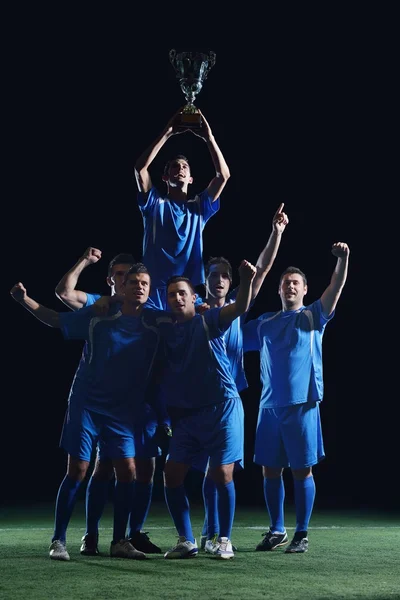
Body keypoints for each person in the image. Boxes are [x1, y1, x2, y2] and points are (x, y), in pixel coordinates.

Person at [10, 264, 163, 561]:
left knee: (129, 472)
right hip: (88, 406)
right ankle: (58, 540)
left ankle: (119, 541)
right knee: (78, 471)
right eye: (134, 282)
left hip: (122, 413)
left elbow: (185, 317)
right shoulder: (99, 315)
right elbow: (56, 319)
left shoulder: (155, 322)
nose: (140, 287)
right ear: (122, 286)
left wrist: (205, 304)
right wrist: (24, 301)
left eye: (145, 283)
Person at [242, 242, 350, 553]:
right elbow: (232, 331)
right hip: (268, 407)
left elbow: (336, 286)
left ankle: (301, 533)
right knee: (269, 470)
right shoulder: (264, 323)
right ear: (279, 290)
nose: (290, 286)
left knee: (302, 470)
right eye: (285, 283)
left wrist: (343, 259)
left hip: (302, 406)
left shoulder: (314, 315)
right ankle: (277, 531)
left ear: (304, 290)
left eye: (296, 283)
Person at [55, 248, 164, 555]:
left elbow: (181, 324)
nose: (130, 283)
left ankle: (129, 536)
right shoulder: (97, 308)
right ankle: (85, 536)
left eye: (136, 278)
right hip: (93, 403)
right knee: (90, 469)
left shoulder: (151, 315)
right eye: (120, 276)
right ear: (113, 280)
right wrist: (85, 261)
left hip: (132, 406)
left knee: (139, 469)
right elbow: (62, 298)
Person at [199, 203, 289, 552]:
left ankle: (222, 536)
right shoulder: (192, 307)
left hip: (229, 399)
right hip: (197, 401)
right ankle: (208, 529)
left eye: (225, 274)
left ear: (231, 282)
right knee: (206, 472)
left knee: (223, 472)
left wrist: (276, 232)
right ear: (205, 279)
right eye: (214, 273)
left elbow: (263, 269)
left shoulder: (237, 306)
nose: (219, 279)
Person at [157, 259, 257, 560]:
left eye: (182, 293)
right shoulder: (164, 331)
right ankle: (187, 540)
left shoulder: (209, 319)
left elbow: (239, 308)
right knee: (171, 475)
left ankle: (223, 539)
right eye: (172, 294)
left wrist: (245, 279)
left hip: (223, 407)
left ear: (193, 296)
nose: (177, 298)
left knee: (222, 474)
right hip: (188, 415)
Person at [134, 107, 230, 309]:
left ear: (191, 178)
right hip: (155, 291)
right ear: (165, 177)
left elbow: (223, 176)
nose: (180, 169)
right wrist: (167, 133)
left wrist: (209, 138)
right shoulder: (154, 204)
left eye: (184, 167)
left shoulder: (199, 208)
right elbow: (140, 168)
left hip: (188, 291)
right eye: (174, 167)